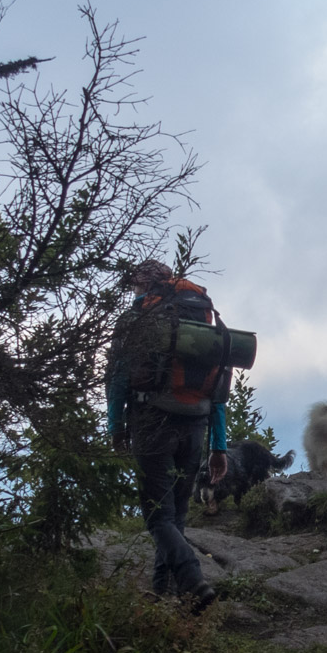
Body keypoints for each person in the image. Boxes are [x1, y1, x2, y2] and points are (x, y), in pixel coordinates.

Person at [105, 259, 229, 611]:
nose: (133, 291)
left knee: (157, 515)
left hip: (152, 422)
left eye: (134, 286)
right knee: (175, 513)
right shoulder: (203, 316)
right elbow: (217, 386)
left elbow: (117, 377)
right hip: (195, 424)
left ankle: (192, 580)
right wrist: (218, 446)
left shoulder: (136, 318)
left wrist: (116, 426)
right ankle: (162, 592)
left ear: (143, 284)